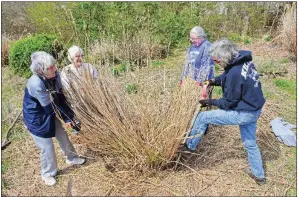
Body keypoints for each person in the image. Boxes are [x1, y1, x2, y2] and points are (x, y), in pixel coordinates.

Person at [183, 39, 266, 185]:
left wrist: (210, 102)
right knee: (250, 143)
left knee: (203, 117)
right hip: (255, 109)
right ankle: (259, 175)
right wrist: (213, 80)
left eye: (216, 60)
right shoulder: (242, 61)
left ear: (224, 58)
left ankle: (188, 147)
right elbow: (228, 76)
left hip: (245, 113)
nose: (215, 63)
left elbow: (228, 103)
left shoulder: (234, 72)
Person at [23, 52, 86, 186]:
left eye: (54, 66)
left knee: (62, 135)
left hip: (50, 110)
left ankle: (72, 157)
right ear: (40, 70)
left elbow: (60, 98)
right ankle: (48, 173)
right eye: (50, 68)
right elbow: (49, 108)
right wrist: (65, 120)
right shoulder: (35, 83)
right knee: (47, 147)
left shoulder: (54, 74)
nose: (54, 69)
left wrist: (69, 118)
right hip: (37, 117)